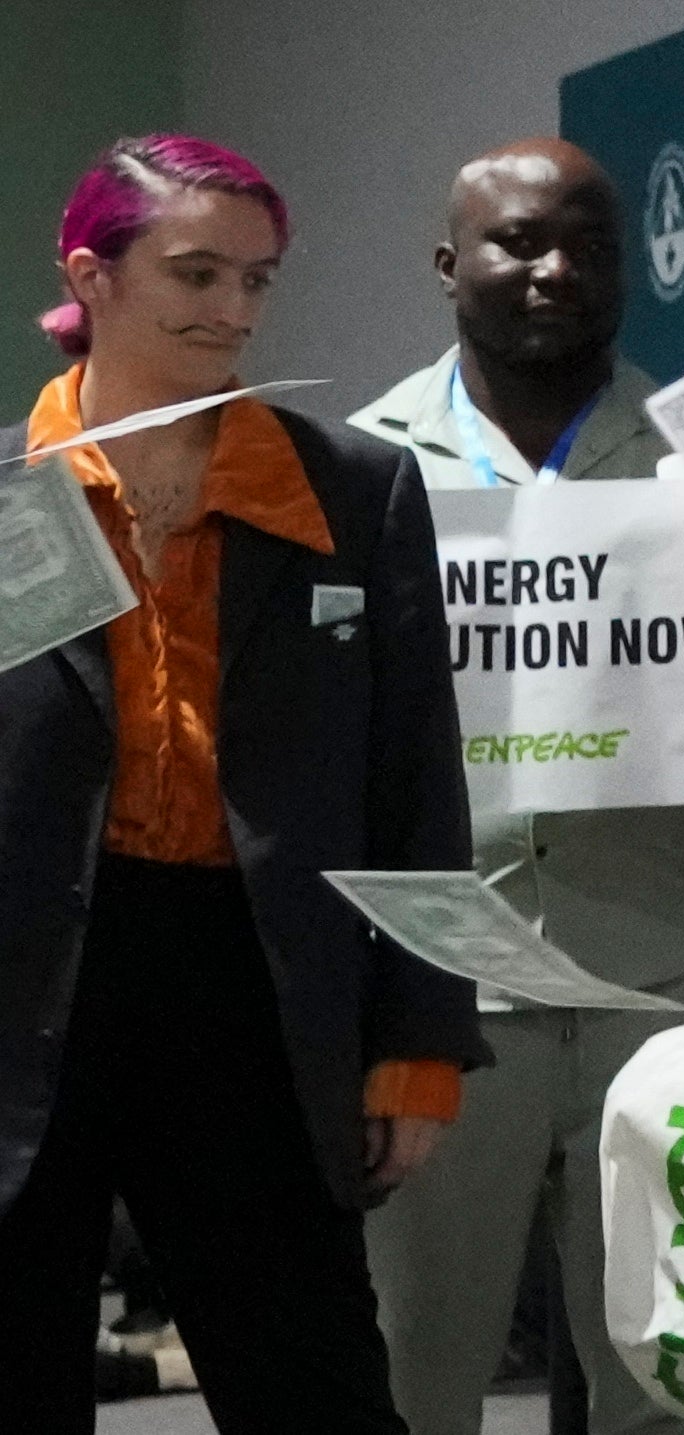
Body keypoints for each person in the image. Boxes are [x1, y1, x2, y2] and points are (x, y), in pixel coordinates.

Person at [5, 136, 478, 1435]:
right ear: (88, 273)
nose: (234, 308)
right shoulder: (3, 491)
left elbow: (413, 781)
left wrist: (420, 1043)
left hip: (259, 989)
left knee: (316, 1386)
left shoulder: (355, 486)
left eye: (257, 278)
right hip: (27, 991)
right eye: (196, 270)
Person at [348, 139, 684, 1435]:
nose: (555, 266)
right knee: (413, 1371)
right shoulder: (359, 464)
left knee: (669, 1374)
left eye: (586, 240)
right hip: (433, 980)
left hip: (663, 975)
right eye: (519, 239)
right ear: (447, 263)